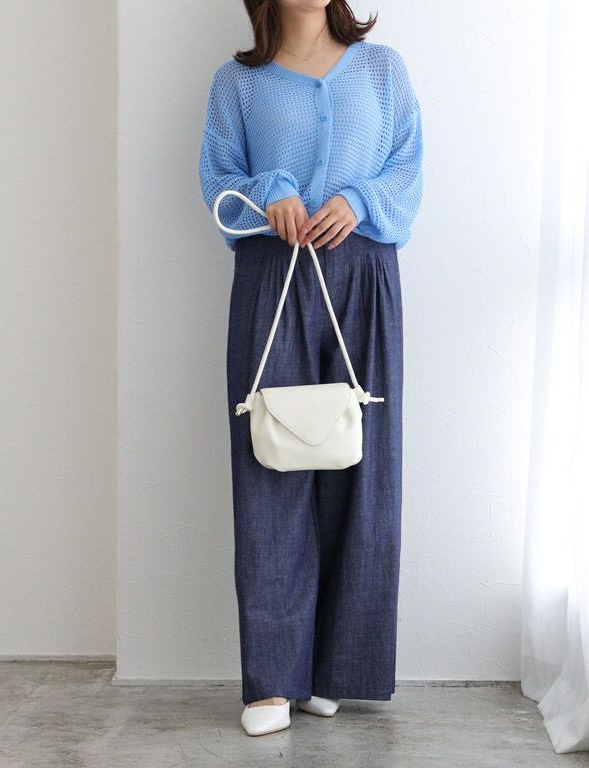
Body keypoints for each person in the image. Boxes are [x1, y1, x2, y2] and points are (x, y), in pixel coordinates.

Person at [198, 0, 423, 736]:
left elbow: (408, 168)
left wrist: (358, 200)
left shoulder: (383, 71)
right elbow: (218, 178)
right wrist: (272, 192)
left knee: (365, 468)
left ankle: (336, 671)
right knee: (271, 461)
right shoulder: (239, 82)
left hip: (364, 276)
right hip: (273, 273)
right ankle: (272, 680)